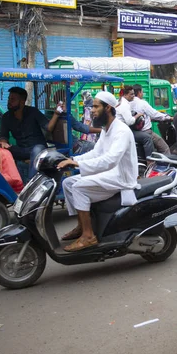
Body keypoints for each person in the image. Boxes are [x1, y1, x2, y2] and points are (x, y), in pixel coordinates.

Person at [57, 92, 139, 252]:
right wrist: (74, 160)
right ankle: (82, 226)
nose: (92, 110)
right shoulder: (106, 129)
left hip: (120, 177)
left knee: (79, 187)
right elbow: (96, 153)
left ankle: (89, 236)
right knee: (67, 183)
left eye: (96, 106)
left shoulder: (121, 131)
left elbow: (110, 160)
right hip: (109, 173)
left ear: (107, 108)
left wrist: (77, 164)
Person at [0, 87, 61, 179]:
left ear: (22, 101)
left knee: (37, 149)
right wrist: (3, 142)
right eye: (9, 99)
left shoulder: (33, 112)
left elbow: (48, 128)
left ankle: (32, 182)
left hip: (38, 149)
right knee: (0, 149)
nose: (9, 102)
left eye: (13, 99)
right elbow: (3, 136)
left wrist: (56, 114)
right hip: (21, 150)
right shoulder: (6, 117)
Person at [114, 85, 155, 159]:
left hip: (121, 129)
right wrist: (138, 115)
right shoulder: (124, 105)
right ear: (125, 95)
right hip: (123, 131)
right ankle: (150, 161)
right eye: (131, 94)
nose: (133, 96)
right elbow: (130, 121)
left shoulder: (120, 101)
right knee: (147, 138)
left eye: (133, 94)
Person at [132, 84, 172, 155]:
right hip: (146, 132)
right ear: (139, 92)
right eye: (142, 92)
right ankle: (166, 165)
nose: (142, 93)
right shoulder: (142, 103)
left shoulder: (128, 103)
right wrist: (168, 117)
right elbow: (154, 114)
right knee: (165, 148)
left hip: (135, 133)